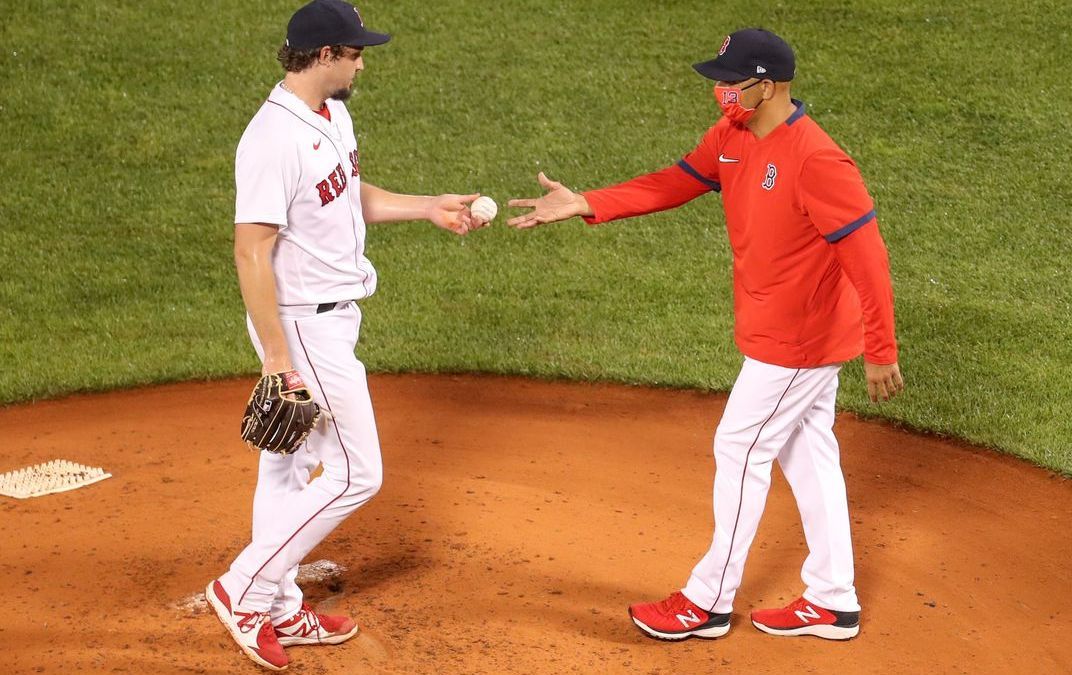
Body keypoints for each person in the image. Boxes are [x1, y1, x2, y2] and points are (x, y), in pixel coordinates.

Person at [508, 28, 903, 642]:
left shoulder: (818, 159)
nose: (720, 92)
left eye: (730, 82)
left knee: (740, 450)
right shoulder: (733, 137)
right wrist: (588, 202)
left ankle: (708, 600)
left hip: (799, 339)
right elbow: (675, 181)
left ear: (766, 86)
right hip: (776, 328)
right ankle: (832, 598)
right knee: (808, 454)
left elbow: (868, 258)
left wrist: (881, 350)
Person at [204, 1, 488, 670]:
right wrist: (278, 358)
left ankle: (275, 606)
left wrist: (427, 207)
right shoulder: (271, 138)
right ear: (325, 53)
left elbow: (346, 193)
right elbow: (251, 251)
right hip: (301, 323)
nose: (364, 61)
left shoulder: (331, 113)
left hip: (329, 315)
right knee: (360, 471)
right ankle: (243, 585)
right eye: (356, 51)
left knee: (290, 462)